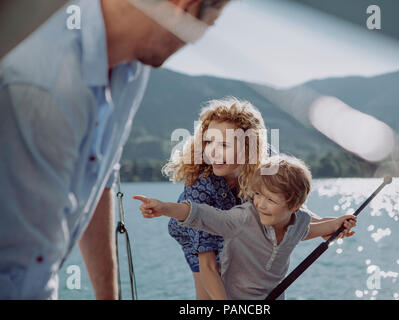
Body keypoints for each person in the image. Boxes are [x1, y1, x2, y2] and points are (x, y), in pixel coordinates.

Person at [0, 0, 229, 299]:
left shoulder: (132, 67)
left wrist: (108, 295)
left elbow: (97, 178)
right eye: (204, 27)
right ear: (184, 7)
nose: (195, 40)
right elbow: (22, 264)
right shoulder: (44, 81)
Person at [134, 154, 357, 299]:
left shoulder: (299, 222)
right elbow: (202, 215)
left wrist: (337, 224)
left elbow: (310, 230)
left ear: (295, 205)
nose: (260, 203)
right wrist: (165, 208)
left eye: (270, 200)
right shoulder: (243, 218)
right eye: (257, 194)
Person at [162, 97, 269, 299]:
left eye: (224, 144)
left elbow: (289, 210)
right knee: (208, 296)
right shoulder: (200, 184)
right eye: (209, 141)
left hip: (237, 231)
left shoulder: (265, 164)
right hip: (194, 235)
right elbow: (208, 264)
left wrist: (329, 225)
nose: (213, 152)